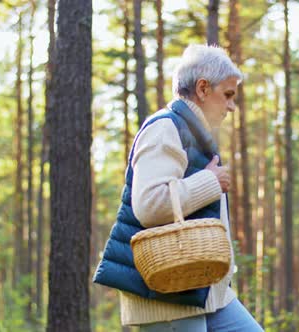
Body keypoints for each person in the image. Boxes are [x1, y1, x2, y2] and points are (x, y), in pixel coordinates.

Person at [93, 44, 263, 331]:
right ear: (203, 88)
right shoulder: (164, 129)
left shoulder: (193, 134)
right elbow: (149, 205)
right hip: (167, 297)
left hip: (203, 291)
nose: (233, 106)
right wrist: (211, 182)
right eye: (228, 95)